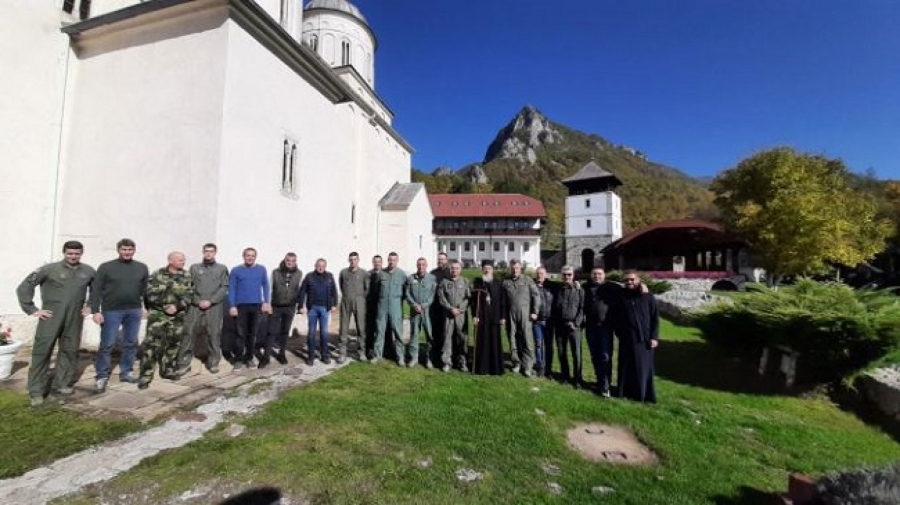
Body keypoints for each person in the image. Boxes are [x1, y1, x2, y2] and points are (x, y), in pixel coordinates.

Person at [16, 241, 95, 406]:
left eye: (77, 253)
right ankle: (36, 391)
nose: (73, 256)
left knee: (70, 350)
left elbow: (98, 289)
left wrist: (90, 305)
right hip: (51, 317)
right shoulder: (49, 269)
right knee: (42, 352)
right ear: (64, 253)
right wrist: (32, 309)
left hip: (74, 317)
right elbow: (24, 287)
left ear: (81, 253)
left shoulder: (88, 271)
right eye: (70, 253)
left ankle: (62, 384)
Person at [89, 238, 149, 393]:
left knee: (131, 342)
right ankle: (101, 376)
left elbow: (145, 290)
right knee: (107, 344)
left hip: (134, 310)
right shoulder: (106, 267)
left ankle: (126, 372)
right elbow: (95, 290)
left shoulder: (141, 267)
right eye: (124, 249)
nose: (127, 252)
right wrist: (95, 311)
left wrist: (146, 308)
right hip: (111, 311)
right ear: (118, 250)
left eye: (130, 249)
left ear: (134, 250)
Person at [584, 267, 645, 396]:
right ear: (591, 275)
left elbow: (629, 288)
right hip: (591, 327)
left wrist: (641, 286)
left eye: (599, 274)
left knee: (605, 356)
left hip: (606, 327)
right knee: (595, 357)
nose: (597, 276)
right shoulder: (585, 286)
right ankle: (600, 382)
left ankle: (606, 386)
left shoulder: (612, 287)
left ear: (604, 275)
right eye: (594, 274)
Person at [139, 252, 195, 388]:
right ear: (170, 261)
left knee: (173, 344)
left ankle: (167, 370)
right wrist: (164, 306)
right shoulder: (157, 274)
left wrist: (177, 306)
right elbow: (149, 293)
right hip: (158, 315)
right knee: (152, 346)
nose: (183, 262)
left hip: (177, 316)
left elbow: (190, 295)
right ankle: (145, 376)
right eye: (180, 260)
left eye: (184, 259)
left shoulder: (186, 275)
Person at [182, 243, 229, 375]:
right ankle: (184, 363)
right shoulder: (194, 268)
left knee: (214, 334)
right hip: (195, 306)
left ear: (215, 253)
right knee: (189, 333)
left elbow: (224, 287)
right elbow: (188, 287)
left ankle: (213, 362)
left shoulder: (221, 268)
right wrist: (197, 301)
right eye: (206, 251)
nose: (208, 254)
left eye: (211, 251)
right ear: (203, 252)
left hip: (214, 307)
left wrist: (211, 301)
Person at [613, 271, 660, 403]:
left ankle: (642, 394)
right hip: (626, 337)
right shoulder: (621, 296)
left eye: (632, 279)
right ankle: (624, 392)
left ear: (638, 280)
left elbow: (655, 318)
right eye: (626, 280)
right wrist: (619, 332)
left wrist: (654, 337)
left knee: (642, 368)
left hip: (644, 339)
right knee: (626, 366)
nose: (629, 282)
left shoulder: (648, 297)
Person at [227, 247, 271, 370]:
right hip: (240, 306)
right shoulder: (236, 270)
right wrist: (232, 306)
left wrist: (266, 302)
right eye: (247, 255)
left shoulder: (261, 269)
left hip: (256, 305)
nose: (250, 257)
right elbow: (232, 289)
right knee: (240, 334)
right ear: (243, 256)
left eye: (252, 255)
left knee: (252, 334)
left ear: (255, 257)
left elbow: (266, 286)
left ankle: (249, 358)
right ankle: (238, 359)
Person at [501, 259, 541, 376]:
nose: (515, 270)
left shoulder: (527, 280)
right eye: (513, 268)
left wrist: (535, 311)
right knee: (512, 338)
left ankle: (528, 366)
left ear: (520, 268)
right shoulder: (506, 282)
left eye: (517, 268)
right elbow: (502, 300)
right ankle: (516, 362)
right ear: (510, 268)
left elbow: (536, 295)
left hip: (525, 313)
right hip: (510, 314)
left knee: (527, 339)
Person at [297, 258, 338, 365]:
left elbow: (334, 291)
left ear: (325, 267)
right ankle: (311, 356)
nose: (321, 268)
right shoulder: (309, 276)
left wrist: (334, 304)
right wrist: (301, 306)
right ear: (315, 266)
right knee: (311, 333)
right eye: (319, 265)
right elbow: (302, 291)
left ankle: (324, 355)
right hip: (312, 309)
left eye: (323, 266)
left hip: (325, 309)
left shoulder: (329, 276)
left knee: (324, 333)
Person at [264, 252, 302, 367]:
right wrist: (268, 304)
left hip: (290, 307)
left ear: (295, 262)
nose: (290, 263)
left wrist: (301, 306)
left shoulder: (299, 273)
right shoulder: (276, 272)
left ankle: (281, 354)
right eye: (288, 261)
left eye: (292, 261)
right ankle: (266, 357)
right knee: (271, 332)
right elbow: (269, 289)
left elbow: (299, 291)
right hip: (276, 306)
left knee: (285, 332)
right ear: (284, 261)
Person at [471, 261, 505, 375]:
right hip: (482, 317)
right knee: (482, 342)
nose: (487, 270)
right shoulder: (478, 283)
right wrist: (474, 316)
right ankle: (482, 368)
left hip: (494, 317)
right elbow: (473, 302)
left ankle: (495, 368)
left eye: (489, 268)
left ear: (493, 270)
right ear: (482, 270)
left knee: (494, 342)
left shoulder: (498, 283)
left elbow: (503, 301)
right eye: (485, 268)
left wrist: (503, 316)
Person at [554, 265, 584, 388]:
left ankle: (577, 379)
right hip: (560, 325)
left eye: (569, 274)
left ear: (573, 275)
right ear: (561, 276)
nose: (567, 277)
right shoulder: (557, 288)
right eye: (564, 274)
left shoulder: (579, 289)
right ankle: (565, 376)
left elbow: (582, 308)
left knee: (576, 353)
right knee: (562, 352)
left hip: (574, 326)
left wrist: (576, 323)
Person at [375, 252, 408, 365]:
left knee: (398, 332)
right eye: (390, 260)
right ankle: (377, 355)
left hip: (395, 306)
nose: (391, 262)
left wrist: (397, 300)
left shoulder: (402, 275)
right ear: (387, 260)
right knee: (380, 331)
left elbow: (405, 292)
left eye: (394, 260)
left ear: (397, 261)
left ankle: (400, 357)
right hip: (382, 306)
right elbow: (376, 290)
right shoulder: (381, 274)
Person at [438, 260, 470, 372]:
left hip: (461, 316)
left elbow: (468, 298)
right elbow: (441, 298)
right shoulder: (444, 282)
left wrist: (460, 309)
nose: (454, 270)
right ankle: (447, 362)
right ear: (449, 269)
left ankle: (462, 362)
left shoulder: (465, 282)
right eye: (452, 268)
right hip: (448, 315)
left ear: (460, 269)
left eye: (457, 268)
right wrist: (450, 308)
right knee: (447, 338)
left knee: (462, 338)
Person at [405, 257, 436, 368]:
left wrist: (423, 305)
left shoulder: (432, 278)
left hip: (427, 311)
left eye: (423, 265)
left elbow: (433, 295)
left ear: (426, 265)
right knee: (414, 334)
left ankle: (429, 359)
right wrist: (414, 304)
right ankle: (414, 358)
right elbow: (407, 293)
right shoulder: (410, 278)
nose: (421, 267)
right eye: (419, 265)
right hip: (414, 311)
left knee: (429, 335)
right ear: (416, 265)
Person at [338, 252, 369, 363]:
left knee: (361, 328)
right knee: (343, 327)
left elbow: (367, 289)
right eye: (351, 259)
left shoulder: (364, 273)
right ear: (348, 260)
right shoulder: (343, 273)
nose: (353, 261)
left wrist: (360, 298)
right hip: (346, 301)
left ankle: (361, 352)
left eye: (355, 259)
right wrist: (347, 295)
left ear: (358, 260)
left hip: (359, 301)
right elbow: (341, 285)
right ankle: (342, 353)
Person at [533, 266, 557, 378]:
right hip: (537, 322)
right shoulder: (532, 286)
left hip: (550, 321)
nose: (540, 275)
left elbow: (566, 285)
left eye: (542, 273)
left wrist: (576, 284)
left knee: (549, 346)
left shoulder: (552, 286)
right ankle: (540, 367)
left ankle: (549, 369)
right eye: (538, 273)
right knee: (538, 345)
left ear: (546, 274)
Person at [429, 252, 450, 368]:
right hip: (434, 307)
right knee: (435, 333)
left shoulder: (449, 273)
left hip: (445, 308)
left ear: (446, 260)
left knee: (445, 333)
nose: (440, 261)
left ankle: (445, 357)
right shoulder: (433, 273)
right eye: (439, 259)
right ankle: (434, 356)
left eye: (442, 259)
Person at [365, 255, 383, 361]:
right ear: (373, 263)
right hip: (370, 306)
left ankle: (383, 349)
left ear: (381, 263)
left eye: (379, 262)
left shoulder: (384, 275)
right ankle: (369, 350)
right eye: (375, 262)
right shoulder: (368, 274)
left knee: (381, 329)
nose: (377, 263)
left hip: (381, 306)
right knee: (370, 329)